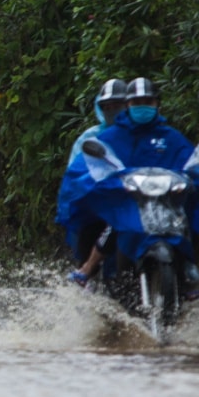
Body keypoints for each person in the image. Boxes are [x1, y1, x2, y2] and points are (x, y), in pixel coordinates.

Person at [57, 77, 199, 296]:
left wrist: (194, 177)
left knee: (187, 219)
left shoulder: (170, 137)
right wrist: (110, 183)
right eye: (136, 102)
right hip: (128, 202)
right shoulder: (108, 137)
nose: (142, 106)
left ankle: (189, 270)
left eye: (148, 101)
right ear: (129, 105)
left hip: (167, 204)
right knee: (115, 222)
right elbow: (87, 167)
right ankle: (88, 269)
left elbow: (189, 162)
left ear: (156, 104)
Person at [61, 80, 133, 284]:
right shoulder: (90, 138)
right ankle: (88, 272)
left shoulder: (142, 134)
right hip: (104, 203)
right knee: (91, 225)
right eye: (106, 107)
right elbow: (75, 175)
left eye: (117, 106)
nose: (112, 111)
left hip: (142, 198)